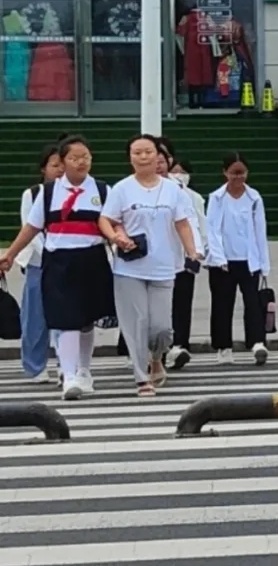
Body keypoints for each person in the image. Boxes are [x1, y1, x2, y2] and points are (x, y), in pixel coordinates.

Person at [0, 135, 117, 400]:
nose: (81, 162)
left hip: (93, 259)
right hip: (59, 261)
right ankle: (69, 375)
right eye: (74, 158)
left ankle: (85, 370)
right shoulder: (47, 193)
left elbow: (111, 222)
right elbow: (31, 227)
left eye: (85, 157)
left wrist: (118, 237)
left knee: (87, 321)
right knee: (67, 321)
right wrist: (10, 254)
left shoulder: (102, 190)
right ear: (63, 162)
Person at [99, 135, 200, 397]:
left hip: (164, 266)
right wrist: (115, 237)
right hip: (129, 268)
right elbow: (105, 220)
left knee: (161, 327)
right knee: (136, 324)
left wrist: (192, 251)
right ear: (130, 158)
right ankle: (141, 378)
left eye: (148, 152)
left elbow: (182, 223)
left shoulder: (172, 190)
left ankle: (156, 357)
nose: (143, 157)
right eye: (137, 153)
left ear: (159, 157)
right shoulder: (121, 189)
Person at [205, 152, 272, 365]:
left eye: (242, 173)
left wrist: (263, 263)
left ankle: (257, 342)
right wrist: (218, 258)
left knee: (253, 303)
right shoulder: (216, 198)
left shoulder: (254, 198)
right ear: (225, 173)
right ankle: (223, 347)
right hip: (223, 262)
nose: (238, 177)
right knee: (222, 304)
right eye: (234, 173)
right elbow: (212, 229)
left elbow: (260, 231)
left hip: (248, 260)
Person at [15, 142, 64, 383]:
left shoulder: (75, 194)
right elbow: (30, 229)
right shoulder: (33, 194)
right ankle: (35, 366)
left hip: (69, 263)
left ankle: (67, 364)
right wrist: (51, 254)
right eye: (54, 165)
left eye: (63, 165)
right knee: (36, 316)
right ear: (44, 169)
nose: (59, 170)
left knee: (68, 317)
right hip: (39, 263)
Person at [166, 158, 207, 369]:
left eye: (183, 171)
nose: (179, 175)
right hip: (163, 259)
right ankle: (163, 347)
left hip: (186, 257)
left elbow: (199, 224)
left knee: (183, 303)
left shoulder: (195, 198)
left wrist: (200, 251)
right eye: (175, 171)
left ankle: (180, 344)